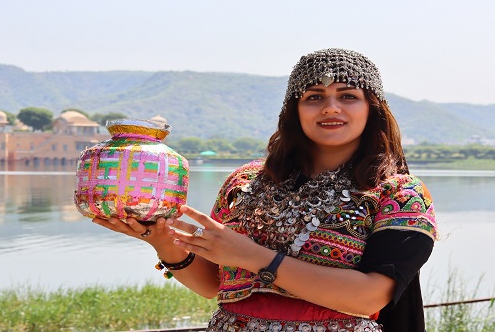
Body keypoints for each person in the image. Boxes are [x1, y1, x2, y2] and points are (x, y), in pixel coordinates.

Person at [92, 48, 437, 332]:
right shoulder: (245, 184)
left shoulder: (399, 195)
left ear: (372, 110)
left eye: (348, 96)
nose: (331, 107)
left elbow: (369, 298)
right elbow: (215, 284)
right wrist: (162, 241)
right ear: (294, 110)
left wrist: (253, 257)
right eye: (314, 97)